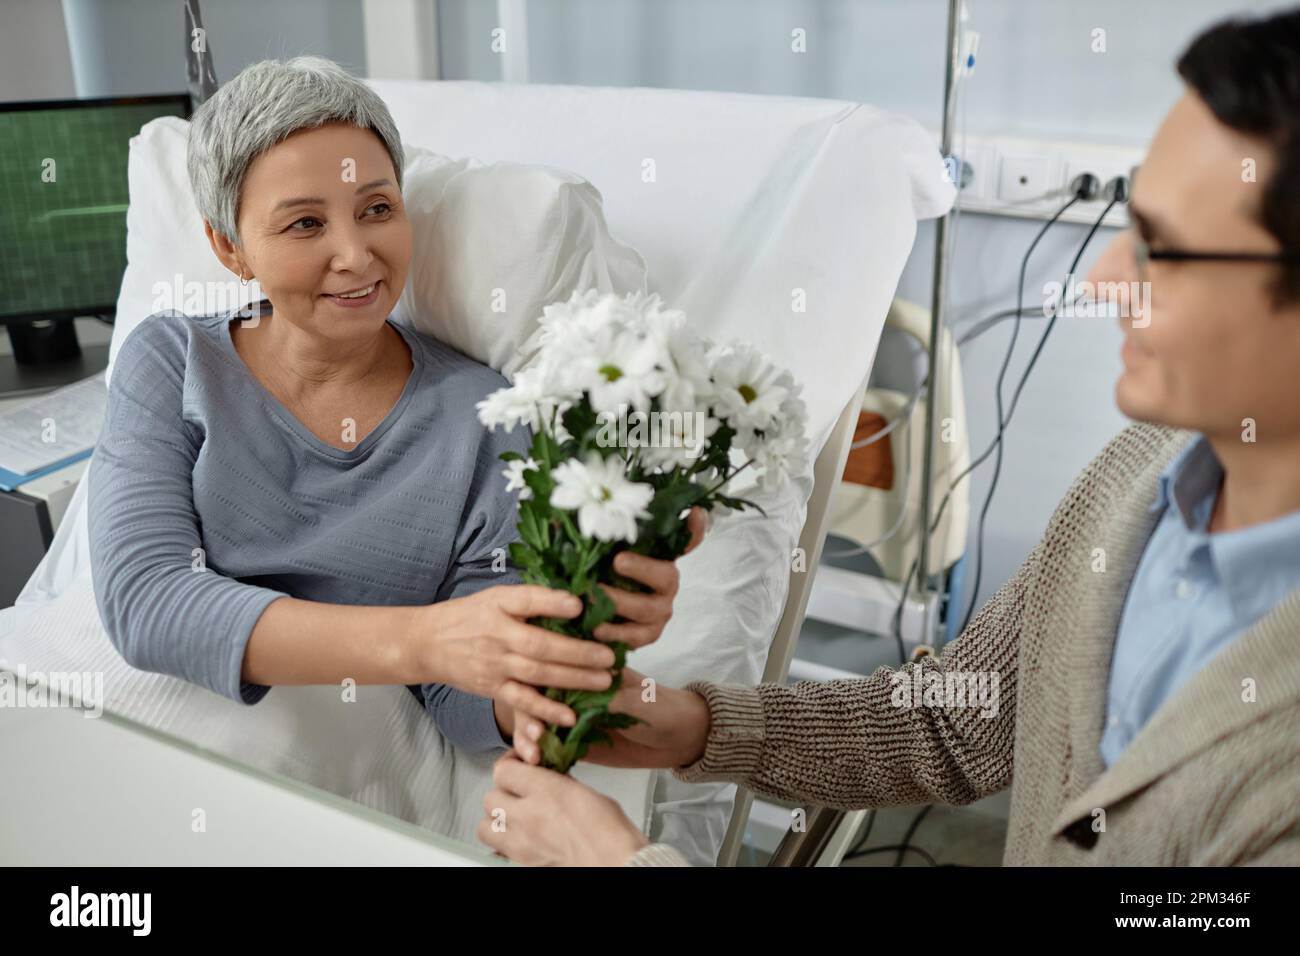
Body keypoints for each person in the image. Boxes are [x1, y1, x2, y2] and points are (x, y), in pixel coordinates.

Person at [477, 8, 1300, 866]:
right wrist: (700, 729)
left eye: (1161, 253)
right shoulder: (1143, 477)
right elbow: (959, 720)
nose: (1100, 278)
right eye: (1130, 223)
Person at [87, 54, 703, 753]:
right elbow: (147, 601)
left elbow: (465, 683)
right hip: (139, 730)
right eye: (305, 225)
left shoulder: (485, 420)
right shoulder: (172, 361)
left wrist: (539, 692)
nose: (355, 254)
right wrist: (427, 639)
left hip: (335, 771)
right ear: (229, 248)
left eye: (377, 209)